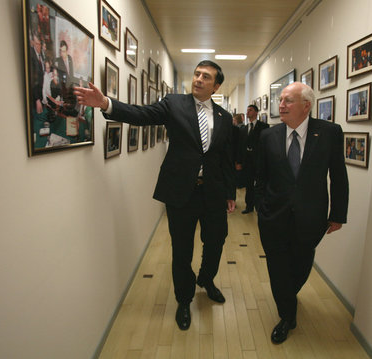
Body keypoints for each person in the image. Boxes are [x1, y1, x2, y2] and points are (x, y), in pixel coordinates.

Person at [74, 60, 236, 331]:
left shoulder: (224, 117)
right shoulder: (174, 103)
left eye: (205, 77)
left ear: (216, 85)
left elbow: (226, 159)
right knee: (182, 249)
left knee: (216, 240)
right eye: (196, 73)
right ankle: (183, 300)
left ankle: (206, 280)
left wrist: (230, 192)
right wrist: (105, 103)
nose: (198, 79)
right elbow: (141, 114)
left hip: (213, 192)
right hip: (180, 191)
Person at [255, 82, 349, 344]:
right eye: (280, 100)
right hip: (273, 216)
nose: (281, 105)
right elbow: (260, 177)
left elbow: (338, 176)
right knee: (277, 266)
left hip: (311, 216)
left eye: (288, 101)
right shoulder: (268, 136)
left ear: (306, 105)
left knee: (301, 263)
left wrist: (338, 214)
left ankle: (287, 295)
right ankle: (287, 316)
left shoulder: (329, 133)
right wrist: (261, 208)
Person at [238, 105, 268, 213]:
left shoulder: (264, 127)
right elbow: (240, 146)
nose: (247, 112)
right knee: (249, 184)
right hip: (247, 162)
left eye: (250, 110)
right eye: (247, 110)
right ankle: (249, 206)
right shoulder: (244, 129)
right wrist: (239, 161)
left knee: (260, 184)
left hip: (259, 161)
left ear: (256, 112)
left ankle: (261, 206)